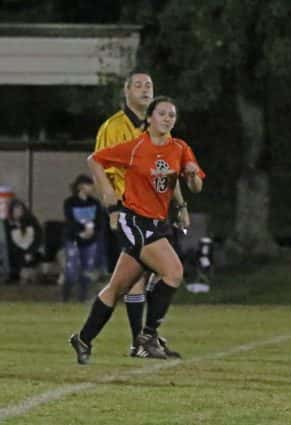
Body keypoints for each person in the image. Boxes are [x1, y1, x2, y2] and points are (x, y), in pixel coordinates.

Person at [69, 96, 205, 364]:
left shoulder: (179, 148)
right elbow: (94, 159)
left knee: (117, 288)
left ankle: (83, 339)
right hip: (135, 221)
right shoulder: (135, 147)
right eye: (162, 113)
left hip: (159, 223)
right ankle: (148, 335)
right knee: (173, 271)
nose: (167, 118)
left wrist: (190, 177)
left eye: (172, 115)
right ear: (150, 118)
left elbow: (196, 185)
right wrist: (106, 189)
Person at [95, 71, 189, 357]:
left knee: (134, 278)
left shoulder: (160, 127)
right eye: (138, 85)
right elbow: (101, 168)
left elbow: (167, 172)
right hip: (127, 211)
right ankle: (143, 341)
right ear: (126, 92)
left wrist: (181, 206)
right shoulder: (113, 127)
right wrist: (112, 208)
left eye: (149, 85)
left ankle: (142, 340)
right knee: (140, 276)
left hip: (155, 213)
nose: (145, 89)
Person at [62, 175, 105, 302]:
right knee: (72, 269)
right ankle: (66, 297)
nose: (92, 188)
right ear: (80, 186)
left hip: (90, 241)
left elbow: (100, 221)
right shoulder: (70, 202)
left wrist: (92, 232)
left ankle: (83, 296)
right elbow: (70, 220)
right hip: (73, 240)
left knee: (87, 270)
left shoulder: (95, 203)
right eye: (89, 185)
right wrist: (82, 230)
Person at [5, 199, 42, 285]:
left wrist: (30, 252)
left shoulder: (32, 220)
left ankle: (30, 275)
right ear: (11, 211)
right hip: (17, 255)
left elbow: (38, 238)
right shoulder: (8, 223)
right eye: (16, 210)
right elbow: (9, 243)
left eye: (20, 209)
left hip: (33, 252)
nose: (18, 212)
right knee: (21, 275)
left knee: (28, 273)